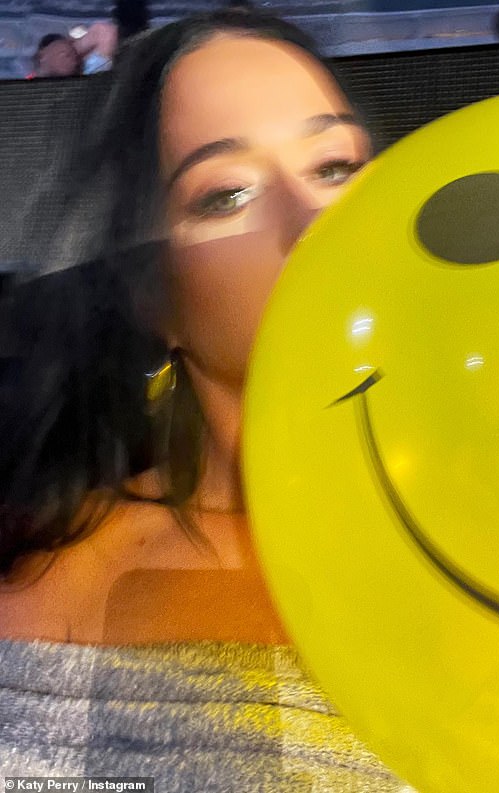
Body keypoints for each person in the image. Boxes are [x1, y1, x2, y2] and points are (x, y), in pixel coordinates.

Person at [0, 8, 410, 791]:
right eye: (225, 194)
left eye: (334, 165)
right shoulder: (49, 603)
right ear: (157, 298)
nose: (316, 221)